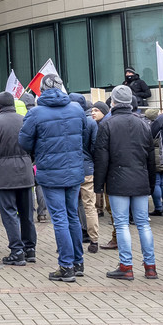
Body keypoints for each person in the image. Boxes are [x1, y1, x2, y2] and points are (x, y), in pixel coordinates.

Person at [19, 72, 91, 283]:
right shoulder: (76, 109)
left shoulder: (36, 113)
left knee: (60, 218)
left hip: (50, 171)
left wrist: (39, 151)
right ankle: (77, 263)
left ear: (42, 89)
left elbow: (24, 142)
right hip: (74, 170)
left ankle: (66, 266)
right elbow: (84, 135)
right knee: (72, 216)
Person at [94, 84, 158, 280]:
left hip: (117, 179)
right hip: (140, 178)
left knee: (121, 224)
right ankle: (150, 266)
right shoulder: (143, 124)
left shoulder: (107, 125)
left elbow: (101, 158)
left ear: (113, 102)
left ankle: (126, 266)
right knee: (143, 224)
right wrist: (151, 183)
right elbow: (150, 158)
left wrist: (99, 185)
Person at [0, 91, 36, 266]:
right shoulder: (25, 120)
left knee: (9, 213)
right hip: (25, 171)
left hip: (3, 174)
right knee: (27, 212)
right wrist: (28, 161)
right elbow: (34, 146)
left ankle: (17, 250)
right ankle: (30, 248)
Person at [68, 92, 101, 252]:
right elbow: (95, 147)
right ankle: (94, 240)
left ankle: (71, 241)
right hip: (87, 167)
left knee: (71, 206)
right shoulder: (91, 123)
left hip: (70, 168)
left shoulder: (67, 121)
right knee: (89, 205)